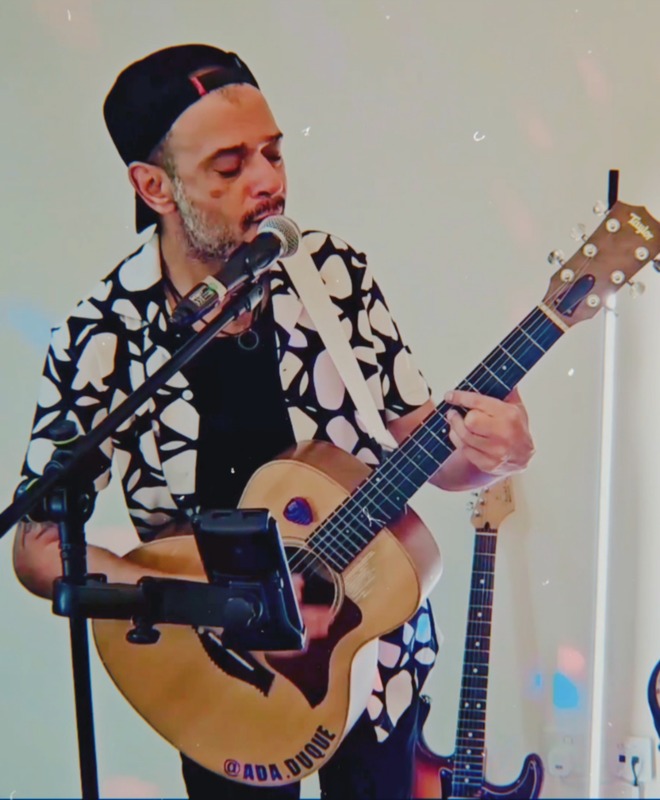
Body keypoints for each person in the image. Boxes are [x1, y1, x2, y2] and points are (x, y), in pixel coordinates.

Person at [12, 44, 535, 799]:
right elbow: (38, 546)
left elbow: (419, 440)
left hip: (370, 651)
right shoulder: (104, 334)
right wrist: (188, 601)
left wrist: (491, 453)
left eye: (272, 152)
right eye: (229, 166)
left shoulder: (332, 275)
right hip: (221, 677)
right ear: (153, 186)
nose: (267, 181)